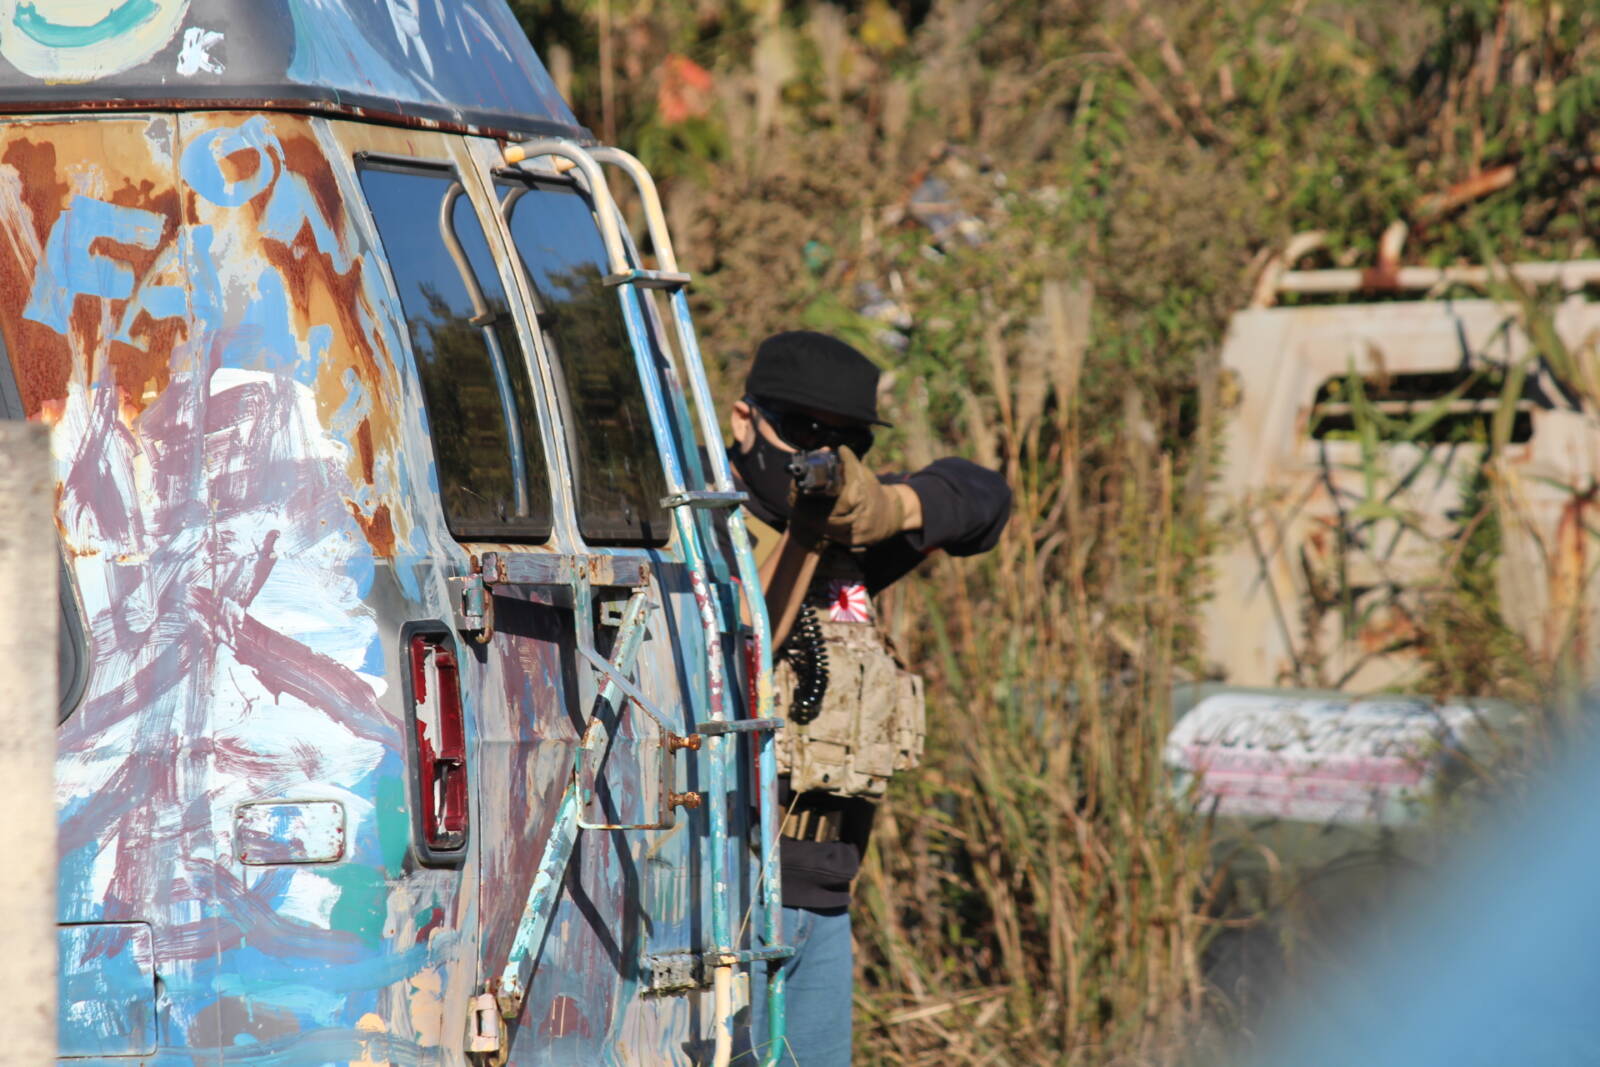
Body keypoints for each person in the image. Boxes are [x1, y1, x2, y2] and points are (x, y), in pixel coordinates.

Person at [729, 331, 1011, 1066]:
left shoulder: (854, 540)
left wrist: (894, 506)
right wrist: (804, 530)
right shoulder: (703, 531)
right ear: (744, 420)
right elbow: (738, 660)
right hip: (731, 895)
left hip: (824, 894)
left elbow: (985, 498)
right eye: (801, 430)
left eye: (847, 440)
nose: (823, 452)